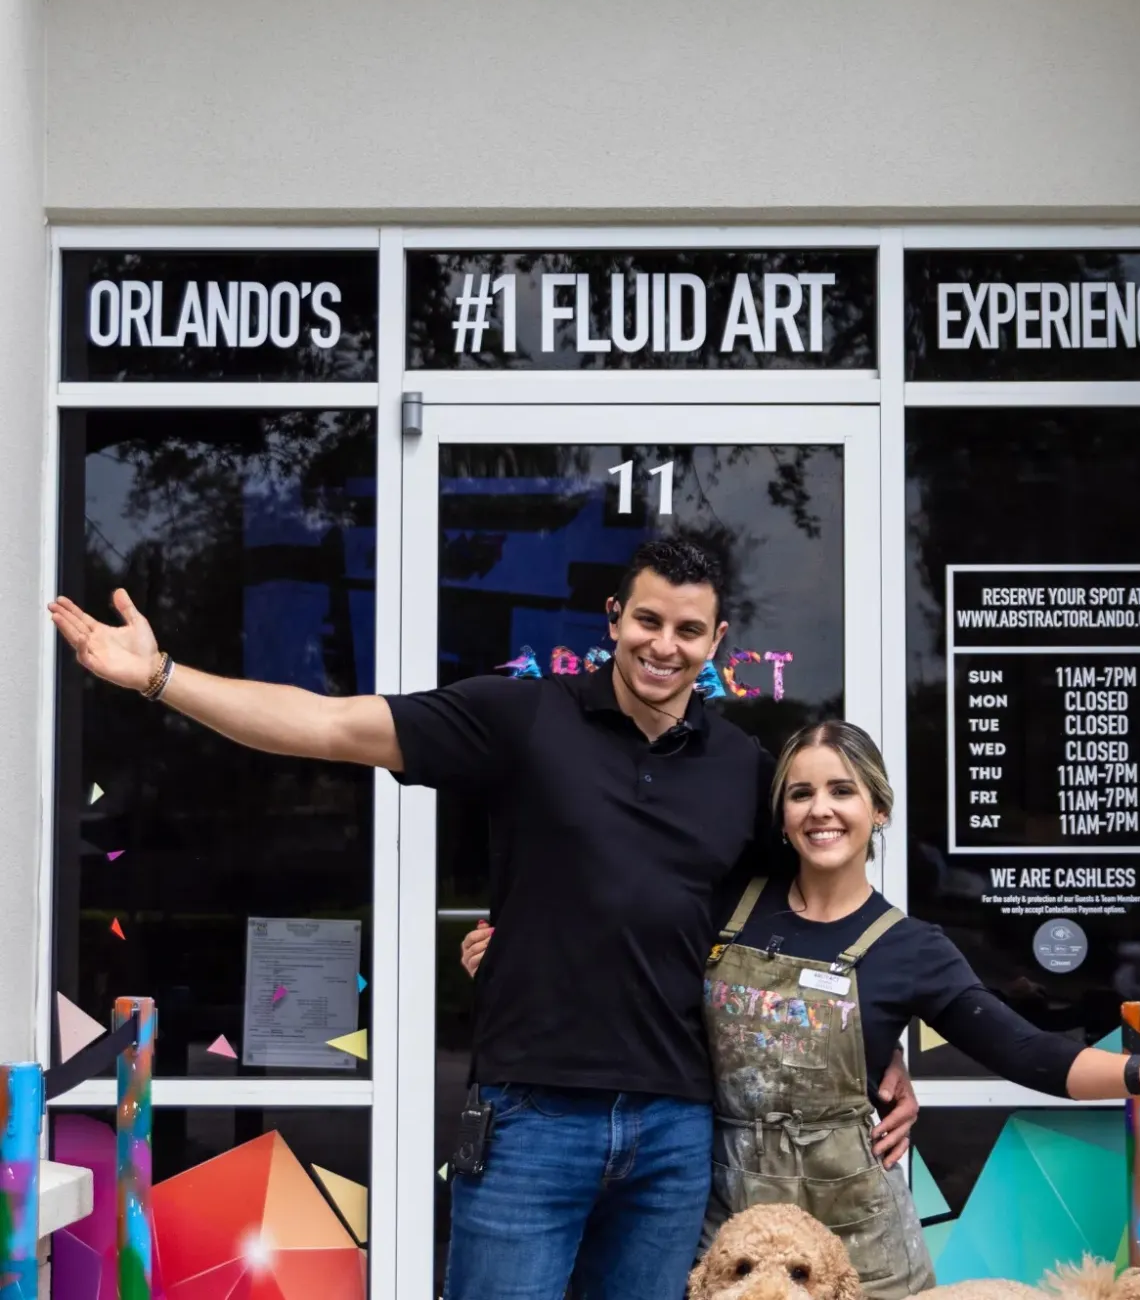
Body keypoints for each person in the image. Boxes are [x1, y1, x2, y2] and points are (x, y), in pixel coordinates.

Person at [48, 535, 918, 1300]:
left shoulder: (742, 768)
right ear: (614, 617)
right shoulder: (523, 717)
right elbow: (331, 726)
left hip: (674, 1128)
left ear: (718, 642)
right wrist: (160, 677)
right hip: (529, 1121)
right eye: (648, 621)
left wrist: (878, 1044)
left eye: (689, 631)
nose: (665, 646)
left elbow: (814, 911)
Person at [463, 717, 1140, 1299]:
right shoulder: (728, 907)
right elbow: (620, 957)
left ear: (877, 810)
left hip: (861, 1244)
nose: (820, 810)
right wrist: (514, 950)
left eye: (841, 790)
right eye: (801, 793)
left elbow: (1026, 1051)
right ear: (783, 815)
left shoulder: (912, 948)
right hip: (727, 1234)